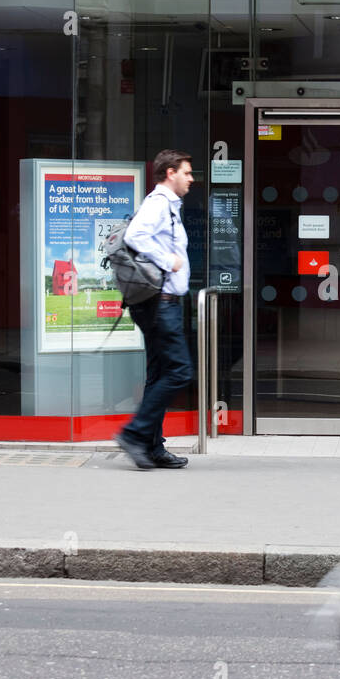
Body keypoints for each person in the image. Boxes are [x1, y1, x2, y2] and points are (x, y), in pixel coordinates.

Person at [115, 150, 195, 470]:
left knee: (160, 374)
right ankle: (134, 435)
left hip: (161, 303)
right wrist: (167, 262)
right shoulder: (158, 203)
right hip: (161, 305)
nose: (191, 179)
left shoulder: (168, 205)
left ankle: (152, 447)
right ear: (170, 173)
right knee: (179, 371)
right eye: (187, 173)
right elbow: (135, 235)